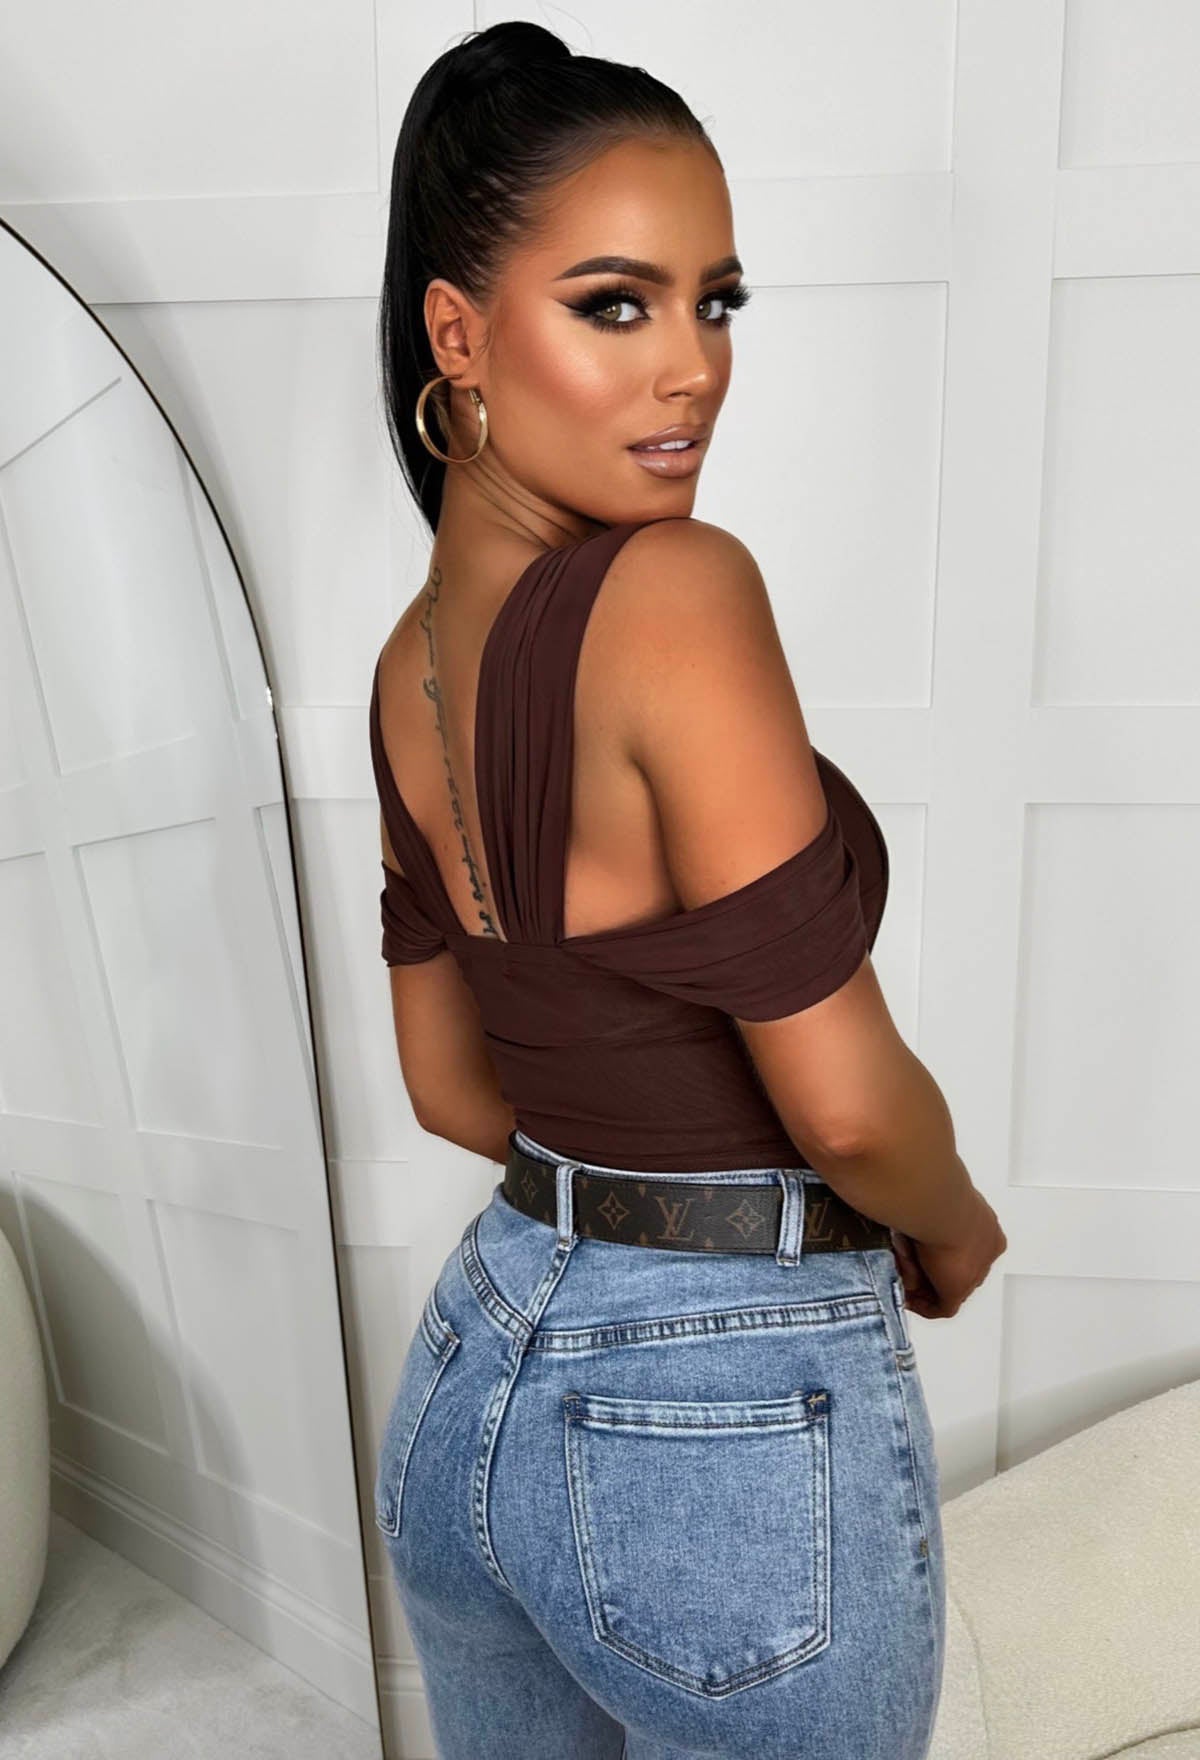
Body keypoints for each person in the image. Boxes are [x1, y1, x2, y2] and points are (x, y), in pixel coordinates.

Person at [368, 21, 1007, 1760]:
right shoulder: (677, 592)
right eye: (615, 305)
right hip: (709, 1417)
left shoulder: (405, 665)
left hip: (475, 1368)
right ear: (457, 336)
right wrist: (950, 1223)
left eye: (714, 304)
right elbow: (848, 1107)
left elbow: (448, 1087)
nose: (693, 370)